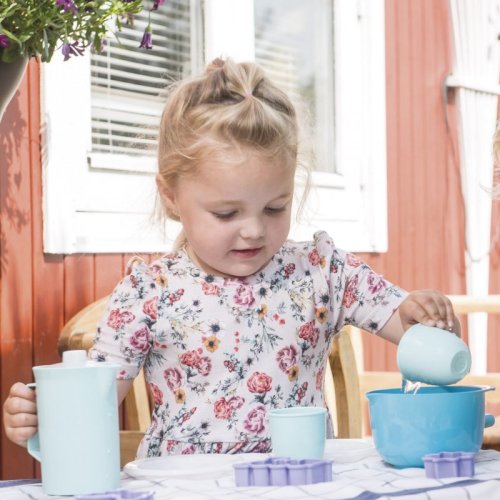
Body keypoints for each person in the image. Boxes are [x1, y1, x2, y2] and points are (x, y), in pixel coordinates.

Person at [3, 58, 460, 457]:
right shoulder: (148, 293)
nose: (255, 229)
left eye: (275, 207)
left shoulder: (323, 272)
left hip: (299, 485)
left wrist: (425, 317)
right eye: (226, 213)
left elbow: (412, 328)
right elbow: (88, 406)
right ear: (171, 196)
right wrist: (40, 416)